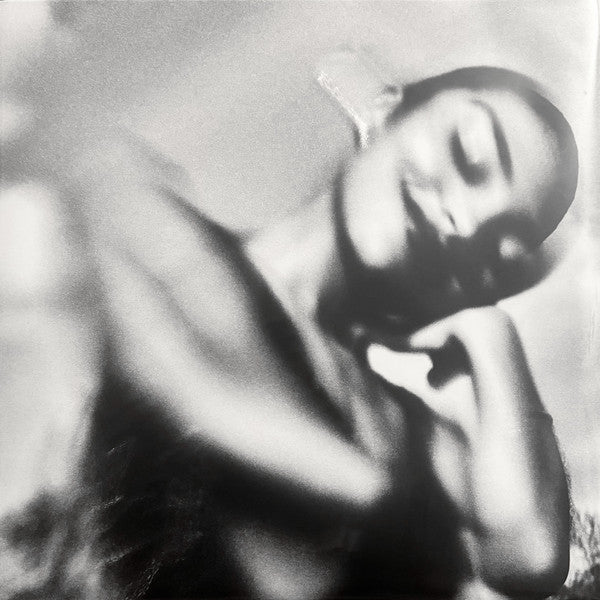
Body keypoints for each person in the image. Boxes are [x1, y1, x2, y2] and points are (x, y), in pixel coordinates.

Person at [0, 65, 578, 600]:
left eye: (499, 248)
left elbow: (529, 556)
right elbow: (207, 391)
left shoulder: (398, 430)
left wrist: (493, 335)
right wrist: (392, 503)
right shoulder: (146, 218)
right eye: (468, 155)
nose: (464, 222)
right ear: (383, 112)